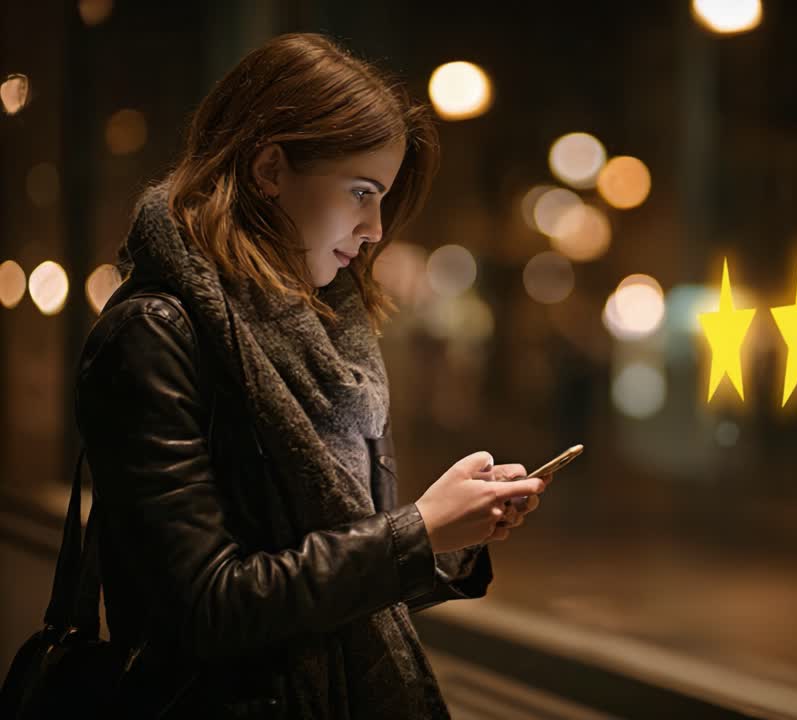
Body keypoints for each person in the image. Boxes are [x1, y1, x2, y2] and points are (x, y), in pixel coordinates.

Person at [73, 32, 550, 719]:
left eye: (381, 198)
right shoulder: (155, 333)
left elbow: (331, 581)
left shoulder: (329, 342)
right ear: (269, 169)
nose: (375, 227)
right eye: (360, 192)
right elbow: (203, 607)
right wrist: (416, 531)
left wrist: (452, 534)